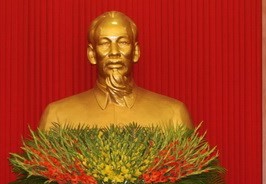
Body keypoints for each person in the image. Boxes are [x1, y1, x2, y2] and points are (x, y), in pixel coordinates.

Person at [38, 10, 194, 130]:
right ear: (92, 54)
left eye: (123, 42)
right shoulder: (57, 116)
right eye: (104, 43)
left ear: (136, 52)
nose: (114, 52)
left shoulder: (173, 114)